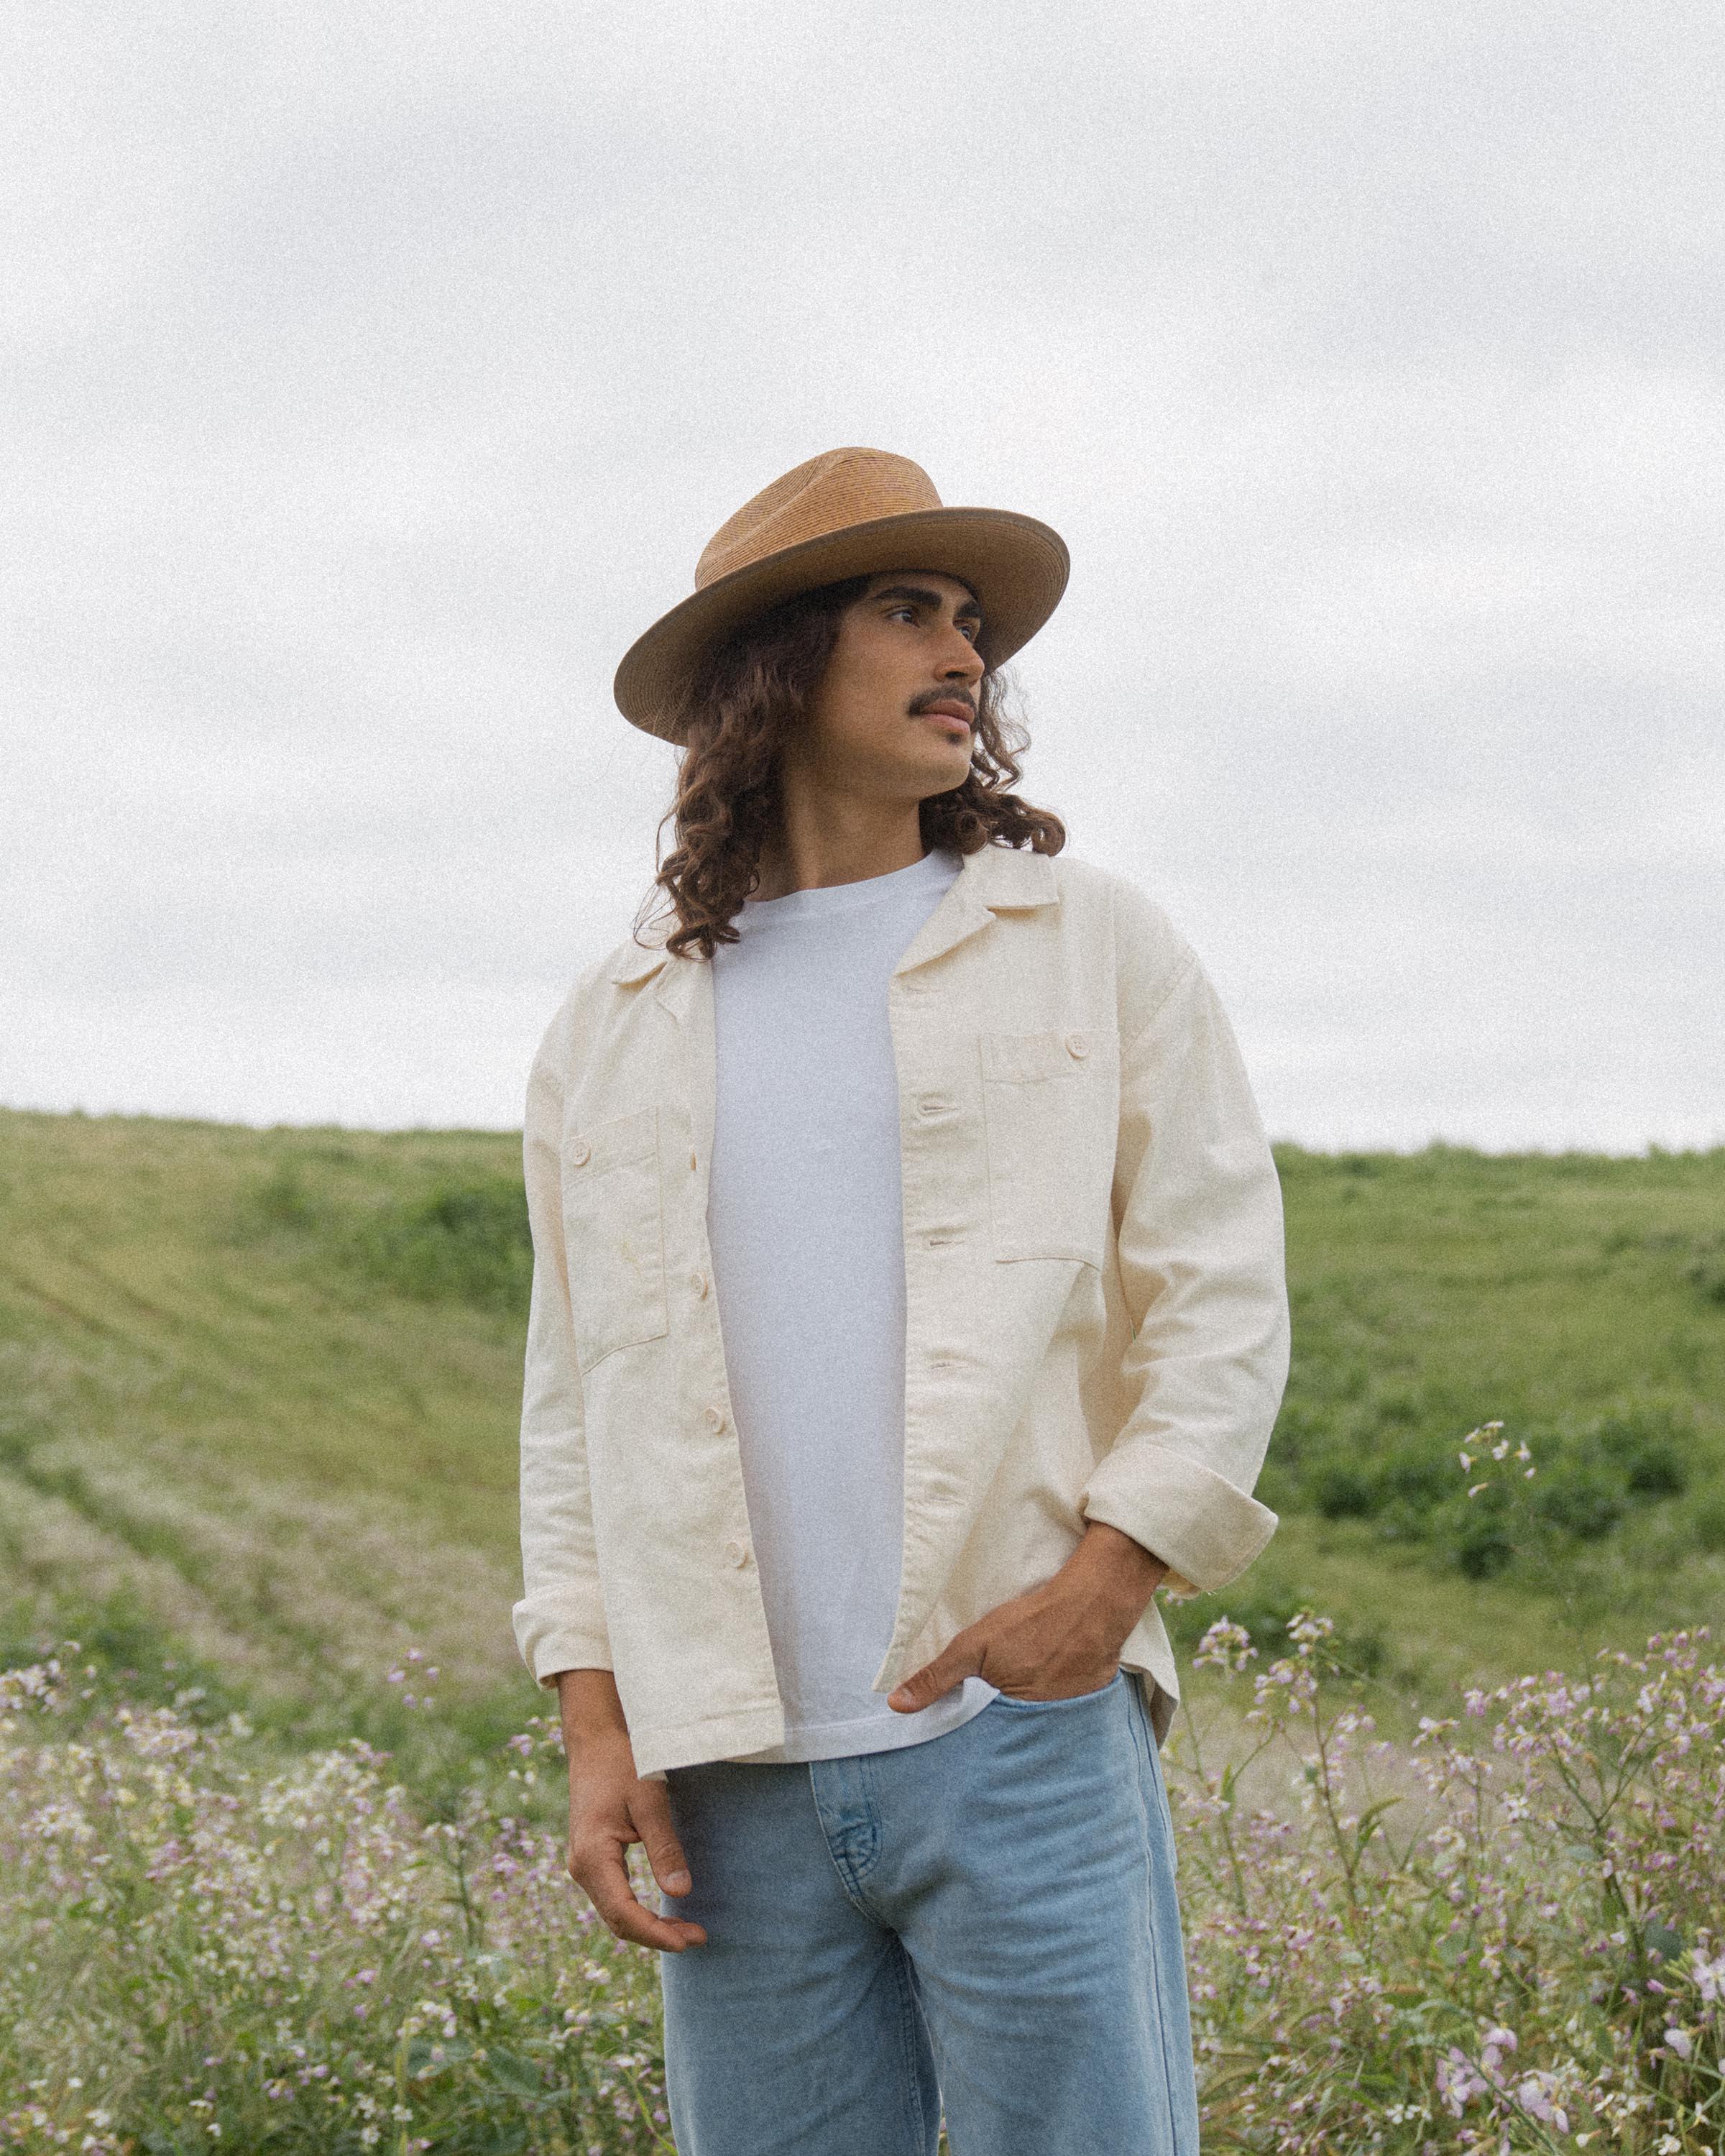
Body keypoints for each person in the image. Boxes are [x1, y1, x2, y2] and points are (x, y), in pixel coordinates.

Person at [513, 446, 1290, 2155]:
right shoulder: (616, 1026)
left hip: (1017, 1734)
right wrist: (596, 1721)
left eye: (973, 623)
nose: (963, 655)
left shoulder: (1090, 943)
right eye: (905, 610)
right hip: (729, 1775)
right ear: (777, 668)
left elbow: (1220, 1291)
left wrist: (1107, 1583)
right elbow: (579, 1397)